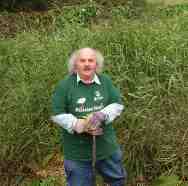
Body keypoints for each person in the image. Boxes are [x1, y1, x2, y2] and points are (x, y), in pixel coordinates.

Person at [51, 47, 127, 186]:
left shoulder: (105, 81)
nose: (87, 64)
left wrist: (102, 115)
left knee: (117, 181)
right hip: (77, 152)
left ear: (96, 64)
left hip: (107, 147)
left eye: (91, 60)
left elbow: (117, 104)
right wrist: (78, 124)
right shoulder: (65, 85)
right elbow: (57, 114)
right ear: (75, 65)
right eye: (82, 60)